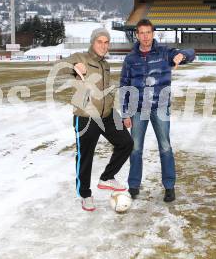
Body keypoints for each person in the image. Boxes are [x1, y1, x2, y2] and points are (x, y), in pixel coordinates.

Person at [120, 19, 195, 202]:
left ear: (153, 33)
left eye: (148, 32)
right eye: (142, 33)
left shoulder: (164, 53)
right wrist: (125, 113)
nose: (145, 36)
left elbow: (191, 53)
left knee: (165, 147)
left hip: (160, 108)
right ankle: (134, 186)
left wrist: (182, 55)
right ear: (137, 35)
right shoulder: (130, 59)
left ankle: (169, 186)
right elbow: (124, 86)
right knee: (135, 149)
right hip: (138, 110)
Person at [67, 28, 133, 211]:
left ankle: (107, 177)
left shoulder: (105, 64)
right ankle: (85, 195)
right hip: (87, 116)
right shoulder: (81, 57)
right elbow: (63, 65)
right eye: (99, 42)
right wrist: (74, 67)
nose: (103, 46)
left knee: (126, 143)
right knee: (85, 157)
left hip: (108, 114)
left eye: (106, 42)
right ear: (92, 42)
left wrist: (119, 113)